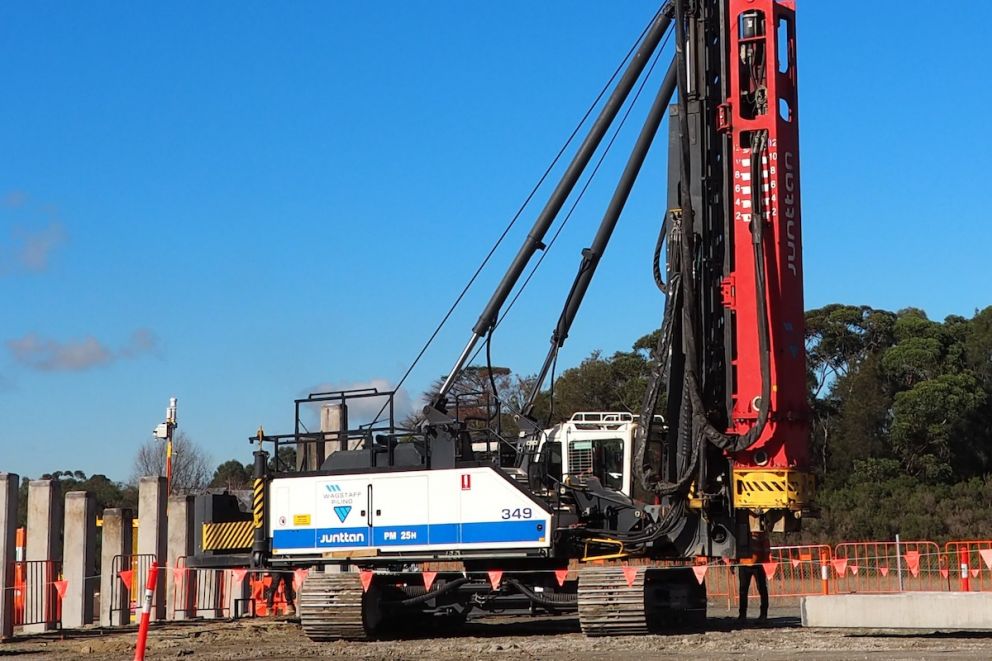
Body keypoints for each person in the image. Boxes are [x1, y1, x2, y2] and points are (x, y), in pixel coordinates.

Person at [738, 530, 769, 622]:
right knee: (743, 590)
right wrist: (733, 562)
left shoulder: (761, 531)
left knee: (762, 589)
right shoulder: (741, 530)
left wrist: (766, 561)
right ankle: (742, 615)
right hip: (743, 563)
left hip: (758, 564)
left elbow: (766, 546)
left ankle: (763, 614)